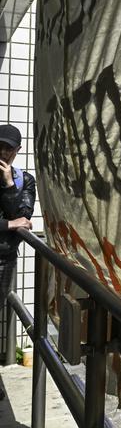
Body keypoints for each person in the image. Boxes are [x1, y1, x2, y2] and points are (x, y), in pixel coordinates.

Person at [0, 124, 34, 326]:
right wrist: (9, 224)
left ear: (18, 150)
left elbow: (23, 218)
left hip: (5, 258)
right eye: (0, 146)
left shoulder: (25, 180)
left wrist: (9, 186)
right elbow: (15, 221)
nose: (3, 152)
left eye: (9, 148)